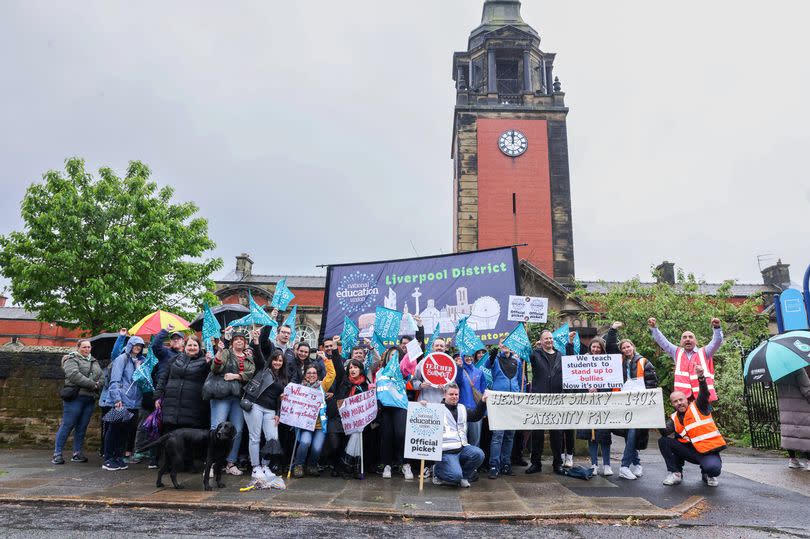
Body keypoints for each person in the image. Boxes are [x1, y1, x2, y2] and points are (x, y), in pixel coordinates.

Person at [658, 365, 725, 487]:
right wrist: (655, 418)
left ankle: (707, 473)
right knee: (664, 441)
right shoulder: (673, 417)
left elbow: (704, 394)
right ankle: (676, 473)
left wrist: (701, 378)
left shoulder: (699, 406)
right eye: (675, 402)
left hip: (706, 450)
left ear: (686, 399)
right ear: (672, 404)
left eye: (681, 400)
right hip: (689, 451)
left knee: (713, 469)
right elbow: (665, 432)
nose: (679, 403)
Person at [609, 324, 659, 480]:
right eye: (623, 348)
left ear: (633, 347)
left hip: (639, 404)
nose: (626, 349)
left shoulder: (644, 362)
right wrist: (612, 330)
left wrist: (646, 402)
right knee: (628, 433)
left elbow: (652, 382)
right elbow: (610, 346)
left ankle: (624, 466)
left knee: (632, 431)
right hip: (624, 403)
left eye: (628, 346)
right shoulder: (620, 363)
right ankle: (636, 463)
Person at [209, 329, 256, 476]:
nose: (239, 341)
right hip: (222, 395)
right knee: (217, 428)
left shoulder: (248, 357)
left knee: (238, 430)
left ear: (245, 342)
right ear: (232, 342)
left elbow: (250, 373)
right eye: (236, 339)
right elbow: (215, 368)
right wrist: (219, 352)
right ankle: (212, 464)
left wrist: (236, 376)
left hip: (238, 397)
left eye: (242, 339)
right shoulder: (226, 353)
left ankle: (231, 462)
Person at [52, 339, 104, 465]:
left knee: (82, 427)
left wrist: (99, 384)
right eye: (84, 347)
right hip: (75, 397)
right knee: (67, 425)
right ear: (78, 347)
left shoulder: (94, 361)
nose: (87, 349)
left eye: (89, 347)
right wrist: (93, 384)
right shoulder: (71, 359)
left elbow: (102, 376)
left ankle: (77, 453)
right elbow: (74, 375)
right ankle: (57, 454)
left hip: (89, 398)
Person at [99, 335, 146, 471]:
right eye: (136, 344)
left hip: (134, 402)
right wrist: (117, 399)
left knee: (125, 431)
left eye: (140, 346)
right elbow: (115, 380)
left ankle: (118, 457)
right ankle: (108, 459)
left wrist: (138, 369)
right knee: (114, 429)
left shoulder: (140, 361)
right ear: (130, 345)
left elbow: (140, 381)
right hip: (121, 401)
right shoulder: (122, 359)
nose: (138, 347)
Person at [648, 317, 723, 402]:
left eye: (690, 337)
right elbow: (662, 341)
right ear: (681, 342)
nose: (687, 339)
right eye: (684, 337)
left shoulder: (705, 352)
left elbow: (717, 341)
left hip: (703, 398)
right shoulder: (676, 352)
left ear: (696, 341)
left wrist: (717, 328)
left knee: (702, 416)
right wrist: (654, 328)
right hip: (683, 400)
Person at [570, 334, 614, 476]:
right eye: (593, 346)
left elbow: (611, 382)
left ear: (602, 349)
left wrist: (599, 389)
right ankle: (594, 464)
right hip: (588, 403)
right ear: (590, 347)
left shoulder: (607, 361)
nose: (595, 349)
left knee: (604, 435)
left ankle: (607, 464)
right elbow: (576, 380)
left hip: (603, 403)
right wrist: (587, 389)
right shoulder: (583, 361)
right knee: (591, 436)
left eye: (598, 347)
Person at [242, 348, 287, 480]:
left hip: (271, 410)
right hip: (255, 405)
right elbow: (259, 353)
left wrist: (278, 413)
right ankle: (255, 467)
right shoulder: (263, 368)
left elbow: (280, 399)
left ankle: (265, 466)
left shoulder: (283, 377)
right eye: (275, 359)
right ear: (271, 360)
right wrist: (257, 341)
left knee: (272, 438)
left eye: (280, 360)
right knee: (255, 437)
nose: (277, 362)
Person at [431, 383, 487, 488]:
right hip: (446, 452)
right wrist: (422, 405)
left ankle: (463, 477)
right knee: (455, 476)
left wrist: (483, 402)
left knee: (479, 454)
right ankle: (437, 471)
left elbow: (476, 416)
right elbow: (423, 418)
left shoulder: (462, 408)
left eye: (456, 394)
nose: (454, 397)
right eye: (451, 394)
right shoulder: (436, 409)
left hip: (462, 448)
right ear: (444, 395)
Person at [371, 347, 414, 480]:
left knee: (401, 435)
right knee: (386, 436)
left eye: (397, 355)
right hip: (385, 409)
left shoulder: (401, 370)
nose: (393, 356)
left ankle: (406, 464)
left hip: (400, 407)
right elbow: (377, 390)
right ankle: (387, 465)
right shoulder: (379, 372)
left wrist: (416, 340)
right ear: (387, 355)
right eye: (391, 354)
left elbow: (410, 362)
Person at [154, 335, 210, 432]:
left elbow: (211, 378)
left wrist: (209, 364)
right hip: (171, 408)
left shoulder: (205, 361)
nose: (192, 348)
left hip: (193, 411)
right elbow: (163, 379)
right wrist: (158, 396)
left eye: (195, 345)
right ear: (185, 347)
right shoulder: (174, 360)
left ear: (199, 347)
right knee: (169, 440)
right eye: (189, 345)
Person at [485, 342, 524, 479]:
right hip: (499, 402)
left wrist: (519, 394)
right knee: (498, 436)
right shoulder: (495, 359)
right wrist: (494, 351)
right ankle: (494, 465)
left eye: (509, 343)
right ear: (501, 345)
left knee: (509, 435)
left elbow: (519, 380)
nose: (507, 345)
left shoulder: (517, 361)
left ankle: (506, 464)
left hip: (512, 402)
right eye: (504, 343)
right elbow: (487, 365)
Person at [527, 330, 563, 474]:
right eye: (545, 339)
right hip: (539, 399)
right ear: (541, 341)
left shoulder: (561, 355)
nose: (549, 341)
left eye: (550, 338)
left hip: (556, 399)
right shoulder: (535, 354)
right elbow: (525, 353)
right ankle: (535, 463)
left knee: (557, 434)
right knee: (537, 433)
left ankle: (557, 464)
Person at [292, 360, 336, 477]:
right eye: (309, 373)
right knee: (305, 442)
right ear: (305, 374)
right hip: (305, 425)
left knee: (317, 448)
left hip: (319, 425)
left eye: (314, 373)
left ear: (317, 375)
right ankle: (298, 465)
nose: (311, 375)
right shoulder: (299, 388)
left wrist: (326, 360)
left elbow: (332, 374)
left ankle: (312, 465)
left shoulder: (322, 386)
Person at [334, 358, 369, 479]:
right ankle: (348, 467)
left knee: (357, 436)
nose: (353, 370)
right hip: (343, 419)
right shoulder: (344, 382)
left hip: (359, 421)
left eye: (355, 367)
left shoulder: (365, 385)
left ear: (361, 370)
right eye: (350, 368)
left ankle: (352, 466)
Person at [776, 366, 810, 470]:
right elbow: (807, 390)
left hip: (785, 406)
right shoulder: (798, 369)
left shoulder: (778, 370)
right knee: (806, 432)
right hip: (800, 406)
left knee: (789, 433)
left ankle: (793, 460)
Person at [455, 350, 487, 448]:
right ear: (462, 357)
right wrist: (459, 368)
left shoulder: (479, 372)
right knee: (460, 441)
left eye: (470, 356)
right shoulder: (458, 371)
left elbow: (483, 392)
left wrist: (484, 412)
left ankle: (475, 462)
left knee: (475, 440)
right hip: (461, 411)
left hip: (476, 410)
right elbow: (458, 382)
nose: (469, 358)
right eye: (466, 356)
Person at [411, 337, 448, 404]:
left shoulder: (449, 364)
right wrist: (420, 385)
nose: (439, 347)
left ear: (445, 348)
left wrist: (446, 387)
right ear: (432, 348)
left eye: (441, 346)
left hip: (442, 404)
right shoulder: (423, 362)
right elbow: (413, 381)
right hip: (424, 402)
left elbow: (453, 386)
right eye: (437, 345)